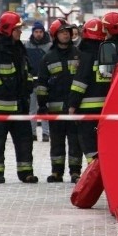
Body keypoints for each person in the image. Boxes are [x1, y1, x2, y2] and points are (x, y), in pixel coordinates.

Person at [0, 11, 38, 184]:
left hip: (20, 105)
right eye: (17, 29)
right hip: (0, 106)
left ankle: (26, 172)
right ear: (8, 29)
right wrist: (3, 91)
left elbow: (27, 71)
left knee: (24, 140)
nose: (20, 32)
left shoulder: (19, 48)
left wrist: (28, 86)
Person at [35, 19, 83, 183]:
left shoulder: (78, 54)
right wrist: (42, 105)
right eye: (62, 32)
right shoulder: (48, 58)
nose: (65, 34)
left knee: (75, 141)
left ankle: (75, 172)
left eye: (67, 32)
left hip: (74, 107)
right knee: (56, 142)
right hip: (55, 108)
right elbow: (41, 83)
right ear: (55, 35)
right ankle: (57, 172)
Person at [67, 18, 110, 166]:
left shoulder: (86, 56)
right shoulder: (108, 54)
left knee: (89, 143)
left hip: (87, 109)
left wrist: (72, 105)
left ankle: (94, 170)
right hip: (107, 108)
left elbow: (80, 83)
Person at [25, 21, 52, 142]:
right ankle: (32, 133)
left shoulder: (49, 46)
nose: (38, 34)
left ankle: (46, 133)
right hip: (31, 83)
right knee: (32, 109)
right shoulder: (27, 46)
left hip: (46, 82)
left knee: (45, 108)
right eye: (36, 32)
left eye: (40, 32)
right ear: (33, 32)